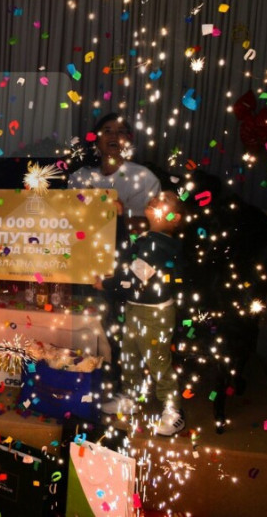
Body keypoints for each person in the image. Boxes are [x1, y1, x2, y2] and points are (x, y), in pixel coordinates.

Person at [95, 191, 189, 436]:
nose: (155, 200)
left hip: (155, 314)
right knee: (130, 355)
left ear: (175, 217)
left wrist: (106, 284)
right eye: (156, 197)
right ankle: (129, 397)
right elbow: (128, 255)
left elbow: (134, 277)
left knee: (157, 361)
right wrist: (120, 217)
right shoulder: (148, 238)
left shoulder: (161, 245)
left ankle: (173, 410)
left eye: (164, 201)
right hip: (135, 308)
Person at [69, 113, 161, 232]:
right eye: (107, 131)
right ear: (96, 140)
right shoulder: (80, 175)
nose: (114, 136)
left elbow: (150, 225)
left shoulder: (144, 178)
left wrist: (118, 215)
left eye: (121, 132)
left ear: (128, 140)